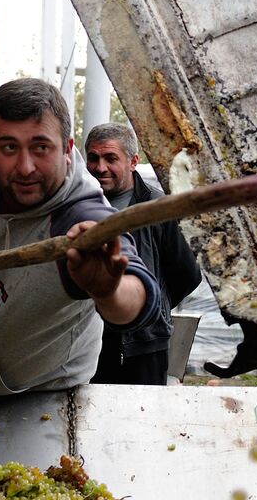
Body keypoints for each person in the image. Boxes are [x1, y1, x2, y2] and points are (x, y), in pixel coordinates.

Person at [0, 79, 160, 394]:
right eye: (9, 147)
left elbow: (139, 300)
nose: (25, 167)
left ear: (67, 150)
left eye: (41, 147)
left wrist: (107, 290)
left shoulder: (81, 217)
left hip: (38, 400)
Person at [84, 122, 202, 385]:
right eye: (93, 157)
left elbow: (188, 274)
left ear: (133, 161)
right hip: (88, 339)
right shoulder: (77, 205)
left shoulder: (159, 209)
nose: (100, 167)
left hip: (144, 344)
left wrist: (148, 305)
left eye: (110, 158)